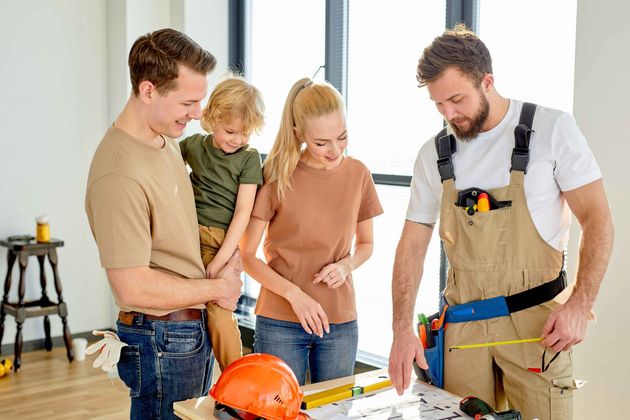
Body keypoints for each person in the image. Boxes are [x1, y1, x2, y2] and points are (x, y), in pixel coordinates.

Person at [388, 25, 613, 420]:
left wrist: (580, 303)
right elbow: (411, 246)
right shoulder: (433, 155)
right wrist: (400, 329)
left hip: (537, 328)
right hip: (462, 330)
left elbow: (598, 219)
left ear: (487, 81)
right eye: (438, 105)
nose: (448, 114)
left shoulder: (552, 130)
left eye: (456, 99)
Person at [85, 28, 243, 420]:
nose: (198, 113)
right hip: (161, 339)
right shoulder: (118, 172)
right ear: (148, 90)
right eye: (188, 102)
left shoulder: (166, 139)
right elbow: (132, 287)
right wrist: (217, 288)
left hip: (187, 331)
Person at [240, 78, 383, 385]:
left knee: (333, 413)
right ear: (299, 134)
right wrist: (295, 295)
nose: (335, 150)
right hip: (280, 322)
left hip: (339, 323)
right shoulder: (276, 176)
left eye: (342, 137)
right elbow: (247, 256)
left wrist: (346, 266)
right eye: (321, 143)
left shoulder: (358, 174)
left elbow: (367, 244)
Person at [179, 76, 265, 371]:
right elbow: (163, 166)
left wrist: (220, 261)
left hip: (221, 241)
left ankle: (235, 373)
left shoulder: (249, 159)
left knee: (218, 307)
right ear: (211, 117)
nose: (238, 140)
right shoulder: (193, 146)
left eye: (245, 134)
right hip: (185, 235)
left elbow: (243, 212)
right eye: (230, 131)